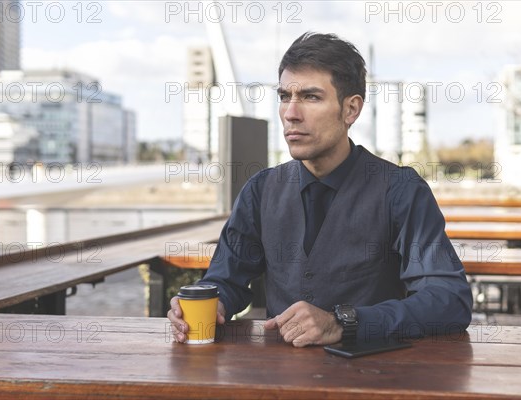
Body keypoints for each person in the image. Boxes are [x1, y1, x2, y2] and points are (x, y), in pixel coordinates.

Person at [168, 32, 473, 347]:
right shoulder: (260, 191)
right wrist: (213, 303)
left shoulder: (401, 191)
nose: (291, 113)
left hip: (373, 380)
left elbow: (450, 301)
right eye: (285, 96)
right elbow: (225, 280)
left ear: (351, 109)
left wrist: (346, 322)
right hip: (277, 384)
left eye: (311, 97)